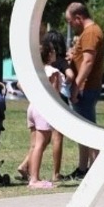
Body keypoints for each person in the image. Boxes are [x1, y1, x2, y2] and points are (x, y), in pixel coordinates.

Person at [64, 2, 104, 181]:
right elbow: (83, 58)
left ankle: (97, 168)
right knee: (84, 130)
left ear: (78, 18)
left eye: (70, 21)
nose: (70, 25)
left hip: (86, 88)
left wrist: (77, 86)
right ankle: (83, 168)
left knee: (89, 130)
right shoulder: (88, 33)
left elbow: (88, 62)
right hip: (86, 87)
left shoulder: (90, 33)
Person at [22, 41, 63, 189]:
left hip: (32, 107)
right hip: (44, 109)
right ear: (49, 54)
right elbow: (54, 93)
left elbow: (20, 84)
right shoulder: (53, 72)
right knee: (41, 144)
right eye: (53, 51)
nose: (55, 53)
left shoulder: (34, 71)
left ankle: (33, 176)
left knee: (34, 145)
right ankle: (34, 179)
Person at [43, 29, 75, 182]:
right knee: (57, 137)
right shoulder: (61, 61)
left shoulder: (42, 62)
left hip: (44, 98)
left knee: (42, 137)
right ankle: (56, 173)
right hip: (59, 98)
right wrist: (67, 84)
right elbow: (70, 75)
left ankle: (25, 165)